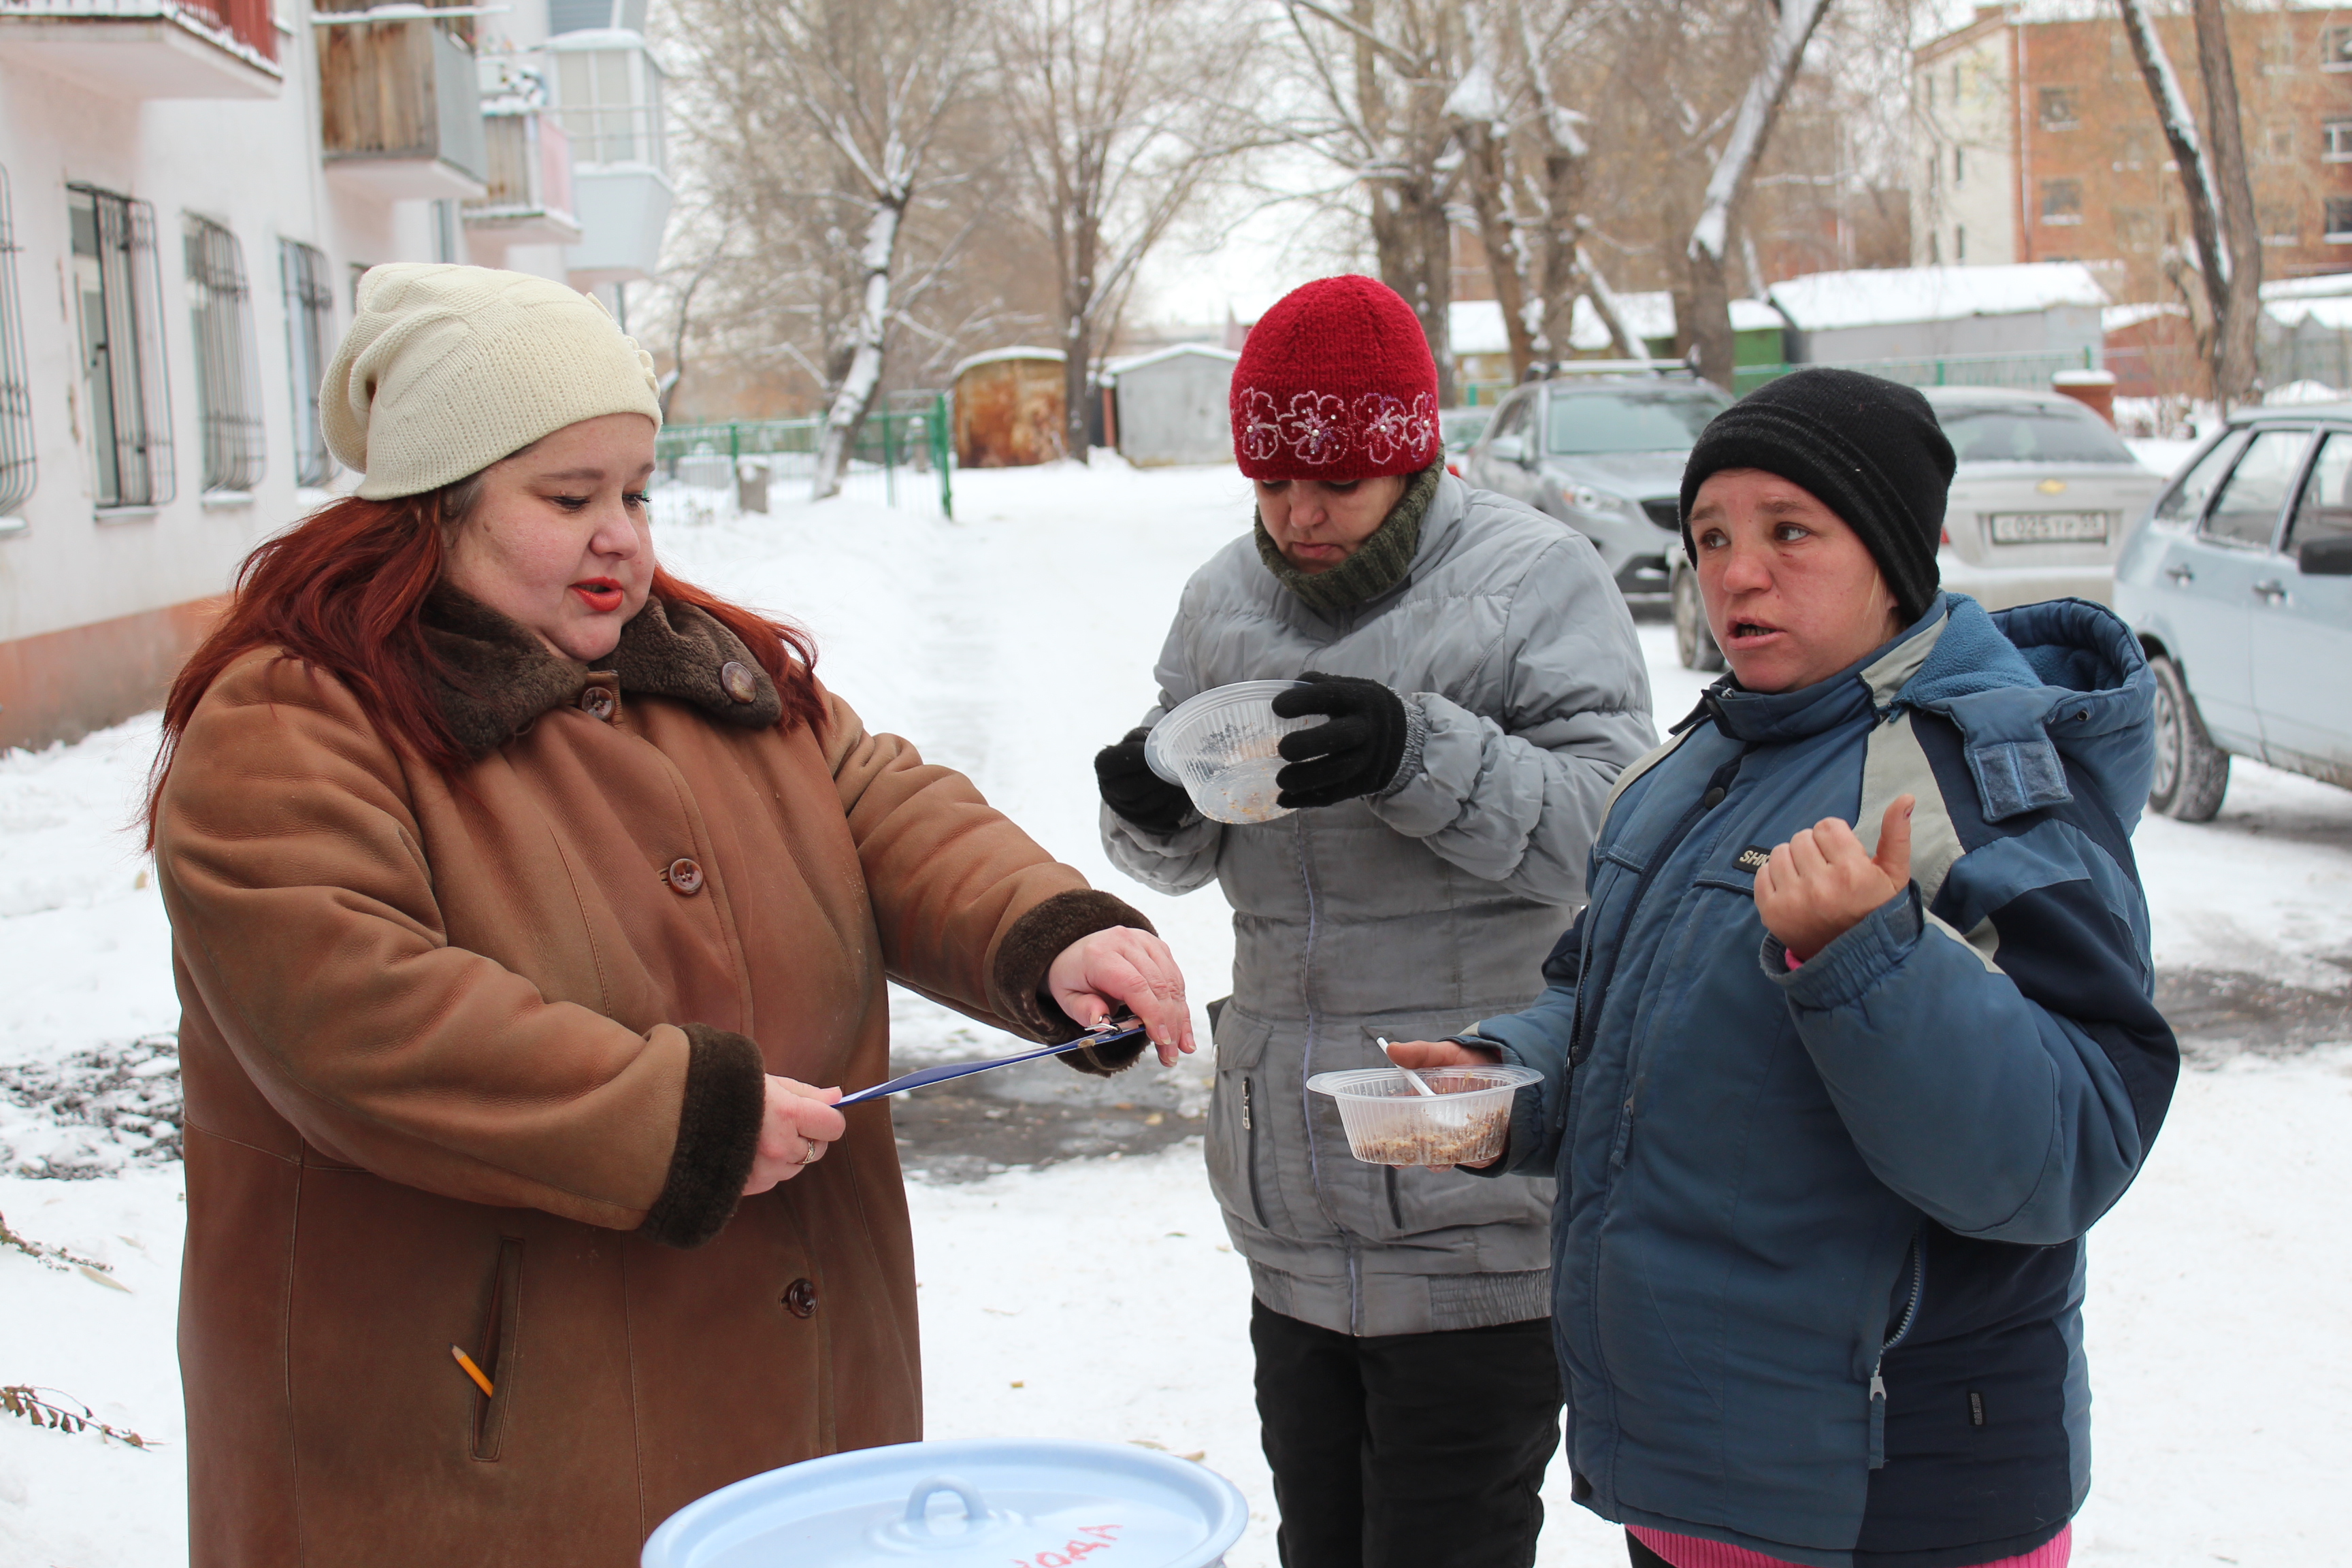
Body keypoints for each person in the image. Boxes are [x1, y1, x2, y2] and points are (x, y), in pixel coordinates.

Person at [148, 264, 1194, 1567]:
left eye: (636, 492)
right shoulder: (294, 723)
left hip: (795, 1409)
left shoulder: (696, 666)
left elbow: (874, 803)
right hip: (487, 1449)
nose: (624, 537)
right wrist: (681, 1119)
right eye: (568, 497)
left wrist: (1046, 928)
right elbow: (355, 1020)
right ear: (433, 507)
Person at [1392, 369, 2180, 1568]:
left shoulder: (1986, 781)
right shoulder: (1696, 765)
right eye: (1711, 536)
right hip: (1701, 1478)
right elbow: (1603, 998)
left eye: (1789, 531)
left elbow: (2072, 1143)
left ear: (1895, 555)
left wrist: (1871, 961)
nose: (1734, 573)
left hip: (1894, 1499)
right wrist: (1510, 1081)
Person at [1095, 274, 1656, 1567]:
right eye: (1273, 485)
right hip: (1290, 1199)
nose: (1299, 516)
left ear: (1410, 457)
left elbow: (1611, 833)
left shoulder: (1537, 578)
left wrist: (1414, 752)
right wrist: (1146, 804)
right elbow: (1182, 850)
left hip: (1470, 1196)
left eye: (1336, 484)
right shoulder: (1221, 599)